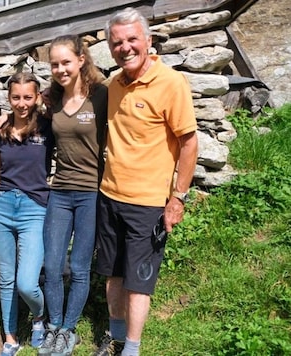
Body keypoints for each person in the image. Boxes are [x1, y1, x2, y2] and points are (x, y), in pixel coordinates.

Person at [0, 35, 108, 356]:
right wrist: (3, 117)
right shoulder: (52, 99)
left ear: (81, 60)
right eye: (54, 64)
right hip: (59, 192)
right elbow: (25, 112)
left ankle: (69, 329)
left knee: (81, 267)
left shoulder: (101, 96)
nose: (60, 69)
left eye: (65, 62)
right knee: (54, 266)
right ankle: (54, 325)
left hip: (90, 193)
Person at [93, 8, 198, 356]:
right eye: (117, 42)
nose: (125, 48)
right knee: (113, 275)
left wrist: (177, 197)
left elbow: (188, 142)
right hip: (109, 196)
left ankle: (132, 349)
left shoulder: (170, 83)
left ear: (148, 41)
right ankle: (116, 338)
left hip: (148, 203)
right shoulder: (113, 85)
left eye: (132, 39)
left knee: (138, 281)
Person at [0, 72, 54, 355]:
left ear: (37, 97)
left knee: (27, 283)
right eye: (16, 97)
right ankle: (11, 336)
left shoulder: (48, 127)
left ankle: (39, 316)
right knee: (6, 279)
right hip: (3, 206)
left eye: (28, 97)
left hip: (35, 207)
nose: (22, 103)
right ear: (8, 99)